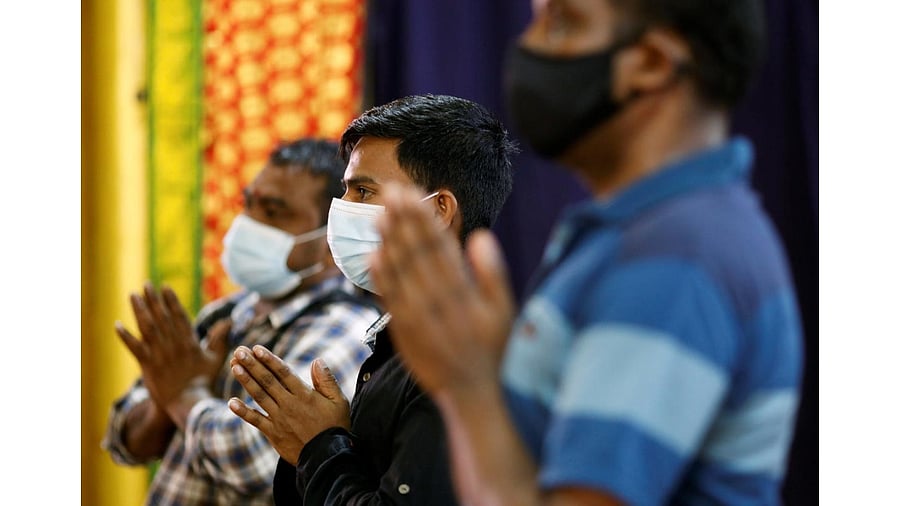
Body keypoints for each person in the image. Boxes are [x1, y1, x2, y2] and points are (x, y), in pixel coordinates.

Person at [368, 1, 805, 505]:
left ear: (652, 63)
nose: (528, 48)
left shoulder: (673, 257)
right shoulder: (646, 234)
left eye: (561, 23)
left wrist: (469, 386)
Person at [226, 94, 517, 505]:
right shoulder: (403, 340)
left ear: (438, 210)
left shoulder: (457, 360)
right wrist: (313, 448)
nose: (342, 211)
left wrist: (321, 446)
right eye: (346, 190)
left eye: (363, 191)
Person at [101, 138, 380, 505]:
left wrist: (182, 395)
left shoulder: (348, 331)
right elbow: (124, 441)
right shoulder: (223, 315)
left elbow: (257, 461)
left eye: (274, 211)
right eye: (249, 203)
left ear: (329, 238)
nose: (249, 223)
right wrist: (165, 400)